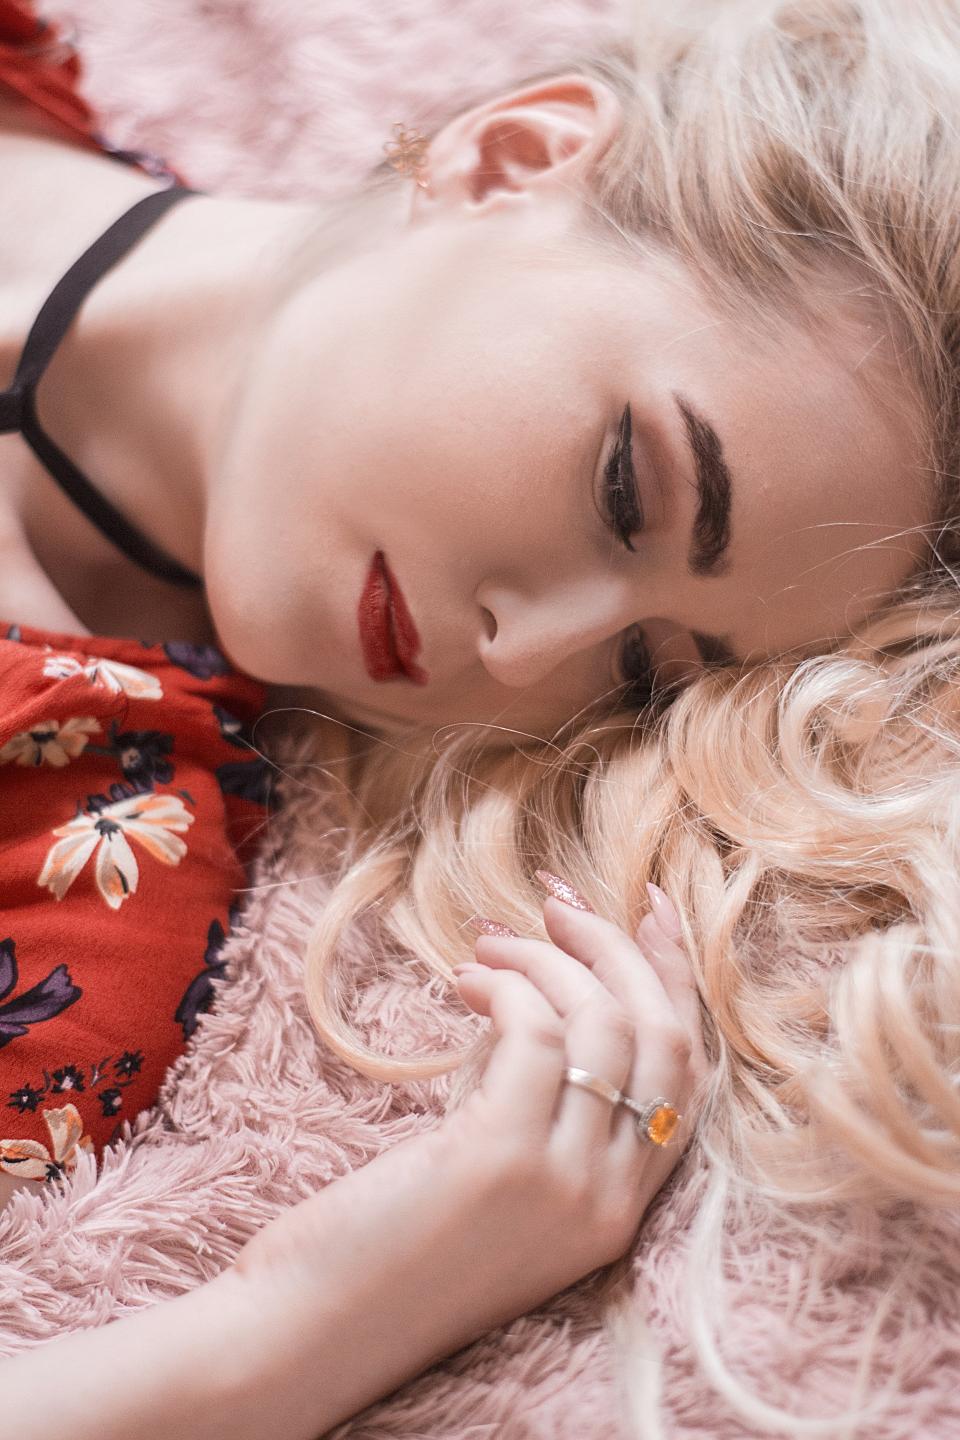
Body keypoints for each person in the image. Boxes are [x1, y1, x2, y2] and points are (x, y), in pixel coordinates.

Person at [1, 0, 958, 1435]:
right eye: (626, 489)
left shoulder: (87, 868)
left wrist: (302, 1321)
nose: (524, 655)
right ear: (512, 155)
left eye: (642, 670)